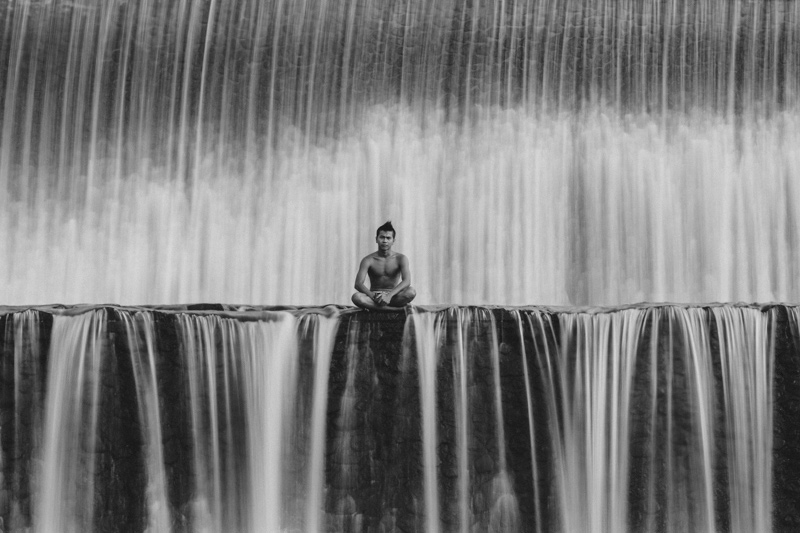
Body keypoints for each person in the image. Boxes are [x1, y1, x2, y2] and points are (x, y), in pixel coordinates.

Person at [352, 221, 416, 311]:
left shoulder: (401, 258)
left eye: (388, 238)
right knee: (356, 297)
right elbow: (358, 284)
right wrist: (373, 296)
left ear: (393, 241)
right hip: (374, 297)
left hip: (393, 296)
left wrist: (388, 296)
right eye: (382, 237)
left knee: (411, 292)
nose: (385, 241)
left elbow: (407, 281)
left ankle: (379, 308)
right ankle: (393, 309)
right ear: (376, 239)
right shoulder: (368, 260)